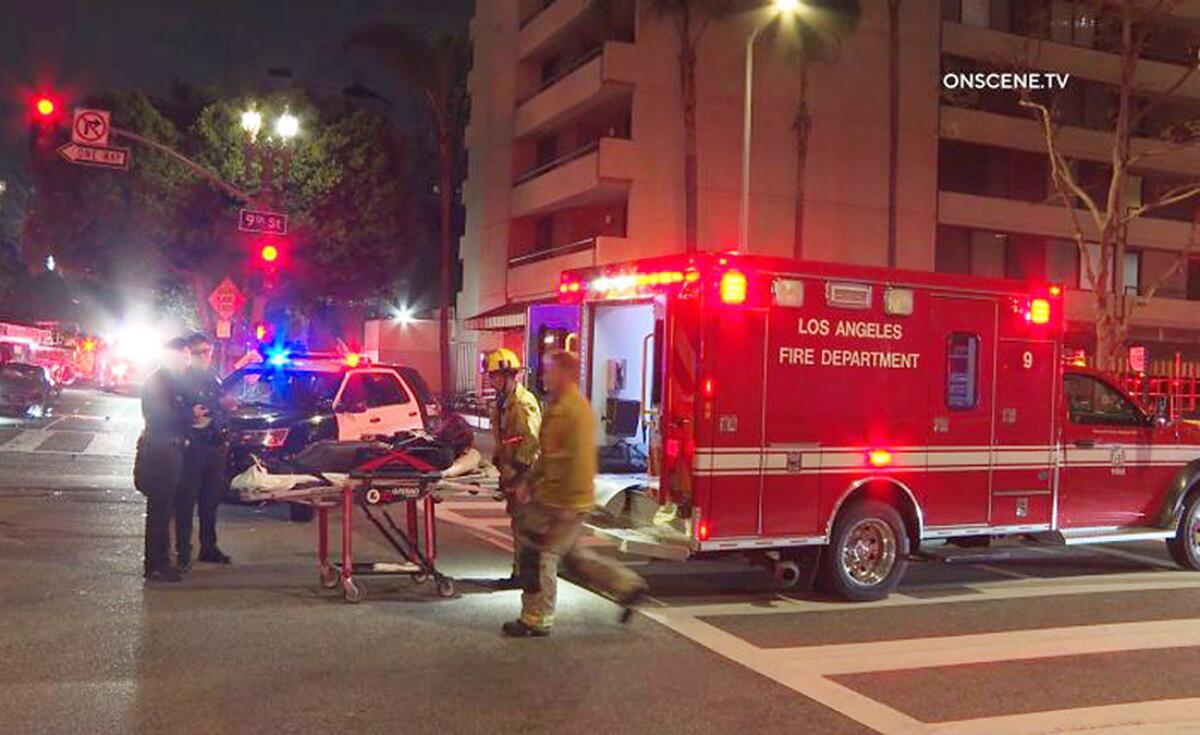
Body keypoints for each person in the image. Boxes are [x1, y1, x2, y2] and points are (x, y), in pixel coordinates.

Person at [503, 349, 647, 637]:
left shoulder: (575, 411)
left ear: (566, 374)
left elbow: (581, 461)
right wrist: (528, 483)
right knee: (576, 557)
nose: (544, 375)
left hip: (564, 500)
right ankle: (628, 587)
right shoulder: (558, 407)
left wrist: (569, 503)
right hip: (554, 496)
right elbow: (547, 456)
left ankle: (536, 618)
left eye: (549, 370)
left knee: (541, 554)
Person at [135, 337, 192, 583]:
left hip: (170, 449)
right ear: (174, 356)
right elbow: (160, 416)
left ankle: (161, 561)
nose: (187, 361)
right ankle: (155, 565)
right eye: (185, 356)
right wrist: (190, 415)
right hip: (160, 452)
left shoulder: (170, 381)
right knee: (159, 510)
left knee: (165, 509)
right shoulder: (158, 382)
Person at [485, 347, 542, 589]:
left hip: (526, 473)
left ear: (508, 375)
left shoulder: (523, 402)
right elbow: (504, 439)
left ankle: (526, 575)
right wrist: (500, 465)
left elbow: (532, 438)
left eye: (495, 375)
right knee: (518, 523)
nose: (492, 380)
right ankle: (520, 572)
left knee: (525, 525)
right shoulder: (503, 403)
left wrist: (517, 467)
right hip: (512, 471)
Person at [175, 332, 232, 569]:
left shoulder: (213, 378)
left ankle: (209, 546)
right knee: (186, 500)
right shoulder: (181, 379)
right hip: (193, 444)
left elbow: (220, 406)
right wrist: (191, 417)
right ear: (190, 354)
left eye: (209, 351)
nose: (207, 357)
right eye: (201, 352)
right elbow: (173, 412)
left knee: (210, 500)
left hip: (214, 444)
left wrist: (223, 410)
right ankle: (183, 552)